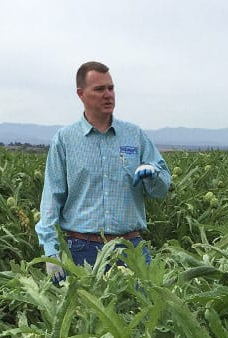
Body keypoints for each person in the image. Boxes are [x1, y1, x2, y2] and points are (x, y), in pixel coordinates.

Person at [36, 61, 171, 279]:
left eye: (111, 88)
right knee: (86, 313)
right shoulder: (65, 140)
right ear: (81, 94)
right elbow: (52, 198)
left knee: (149, 311)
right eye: (99, 89)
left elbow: (161, 190)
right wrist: (51, 251)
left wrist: (154, 176)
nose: (108, 95)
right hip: (82, 250)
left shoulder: (134, 135)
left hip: (131, 249)